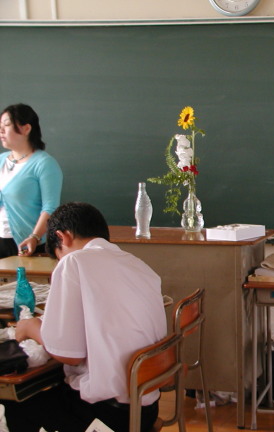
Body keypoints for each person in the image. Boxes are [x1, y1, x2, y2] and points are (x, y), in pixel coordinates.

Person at [2, 202, 167, 432]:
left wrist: (31, 327)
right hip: (144, 410)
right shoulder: (137, 264)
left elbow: (67, 355)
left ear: (63, 237)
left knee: (14, 408)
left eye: (58, 256)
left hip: (106, 416)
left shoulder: (74, 261)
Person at [0, 103, 63, 258]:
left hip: (27, 244)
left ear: (26, 129)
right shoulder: (1, 160)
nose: (1, 130)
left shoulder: (44, 164)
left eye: (6, 125)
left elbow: (50, 207)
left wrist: (35, 237)